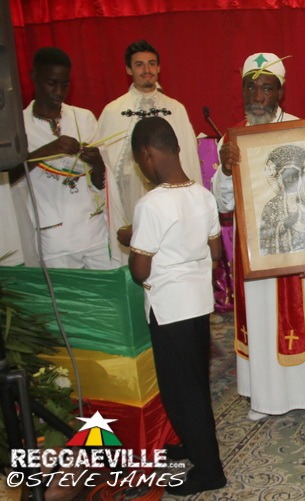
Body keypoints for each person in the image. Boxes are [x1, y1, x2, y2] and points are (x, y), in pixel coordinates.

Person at [211, 52, 305, 426]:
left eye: (267, 88)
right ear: (242, 91)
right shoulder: (232, 139)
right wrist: (225, 168)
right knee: (261, 321)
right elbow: (223, 203)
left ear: (280, 91)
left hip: (302, 250)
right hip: (256, 251)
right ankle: (265, 396)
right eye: (251, 88)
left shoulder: (302, 131)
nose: (258, 96)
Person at [119, 116, 226, 496]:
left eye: (139, 161)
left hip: (169, 309)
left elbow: (139, 271)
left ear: (147, 154)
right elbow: (216, 252)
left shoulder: (151, 204)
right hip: (198, 302)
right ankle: (194, 446)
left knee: (181, 392)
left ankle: (209, 472)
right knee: (194, 381)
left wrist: (133, 241)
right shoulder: (203, 195)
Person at [10, 47, 118, 269]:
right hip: (54, 240)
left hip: (94, 232)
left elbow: (101, 182)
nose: (59, 92)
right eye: (52, 83)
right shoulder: (20, 125)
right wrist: (45, 152)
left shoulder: (84, 117)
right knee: (64, 293)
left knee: (105, 290)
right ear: (34, 76)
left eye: (65, 84)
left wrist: (97, 162)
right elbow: (8, 179)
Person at [98, 40, 203, 242]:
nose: (147, 70)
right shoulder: (113, 111)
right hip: (132, 200)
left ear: (159, 68)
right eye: (139, 65)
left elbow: (189, 159)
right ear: (128, 69)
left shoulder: (176, 109)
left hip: (173, 202)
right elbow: (107, 168)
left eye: (151, 64)